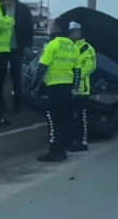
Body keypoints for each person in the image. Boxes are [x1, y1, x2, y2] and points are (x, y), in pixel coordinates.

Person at [31, 18, 81, 162]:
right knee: (64, 121)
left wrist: (34, 86)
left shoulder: (52, 44)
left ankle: (54, 153)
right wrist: (75, 89)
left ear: (58, 28)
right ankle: (62, 150)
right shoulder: (73, 47)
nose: (50, 27)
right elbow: (77, 71)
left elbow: (42, 67)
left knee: (53, 122)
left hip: (54, 87)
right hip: (68, 88)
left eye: (53, 25)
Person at [67, 22, 96, 152]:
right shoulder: (66, 46)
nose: (75, 34)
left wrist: (76, 76)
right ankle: (70, 140)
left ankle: (82, 142)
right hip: (66, 86)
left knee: (81, 116)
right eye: (72, 32)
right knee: (69, 116)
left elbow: (90, 66)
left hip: (81, 89)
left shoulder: (87, 48)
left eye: (77, 31)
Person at [5, 0, 34, 112]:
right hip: (1, 47)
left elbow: (29, 27)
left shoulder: (23, 9)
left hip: (17, 47)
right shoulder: (0, 8)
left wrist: (28, 45)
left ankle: (17, 104)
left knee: (16, 77)